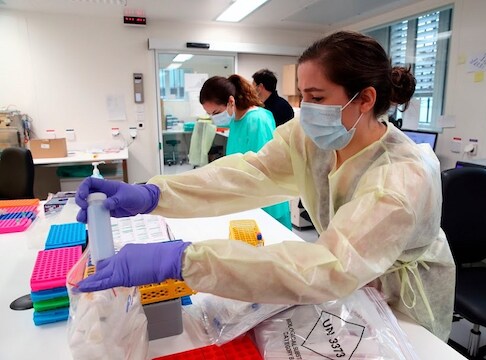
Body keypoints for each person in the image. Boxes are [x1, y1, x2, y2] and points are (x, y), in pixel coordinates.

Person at [75, 31, 455, 341]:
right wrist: (153, 194)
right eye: (302, 96)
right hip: (353, 285)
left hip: (402, 302)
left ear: (365, 99)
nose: (306, 109)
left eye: (317, 97)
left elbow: (331, 266)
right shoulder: (313, 140)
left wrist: (183, 260)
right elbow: (248, 173)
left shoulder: (402, 176)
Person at [198, 74, 291, 229]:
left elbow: (265, 168)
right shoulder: (235, 121)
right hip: (246, 198)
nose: (213, 118)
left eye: (215, 113)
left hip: (267, 203)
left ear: (231, 101)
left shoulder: (258, 120)